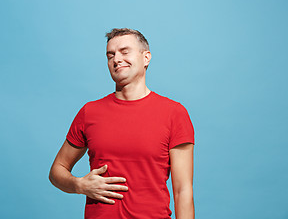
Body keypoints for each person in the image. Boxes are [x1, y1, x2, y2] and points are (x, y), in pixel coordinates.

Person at [49, 28, 195, 219]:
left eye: (125, 52)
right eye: (110, 55)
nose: (116, 59)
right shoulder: (90, 112)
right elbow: (56, 171)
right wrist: (79, 185)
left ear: (146, 58)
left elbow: (182, 191)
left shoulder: (174, 113)